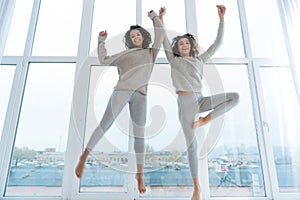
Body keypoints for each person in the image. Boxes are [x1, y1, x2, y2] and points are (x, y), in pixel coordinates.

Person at [75, 9, 165, 194]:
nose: (136, 37)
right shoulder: (124, 55)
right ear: (130, 40)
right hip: (122, 91)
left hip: (141, 95)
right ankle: (84, 156)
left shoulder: (150, 53)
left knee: (140, 135)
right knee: (106, 123)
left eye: (138, 34)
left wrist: (155, 17)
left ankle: (139, 174)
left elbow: (161, 34)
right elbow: (103, 59)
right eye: (132, 36)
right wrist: (101, 41)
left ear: (143, 37)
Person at [159, 5, 239, 200]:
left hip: (201, 99)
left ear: (192, 46)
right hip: (185, 102)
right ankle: (197, 188)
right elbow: (163, 40)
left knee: (235, 97)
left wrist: (221, 20)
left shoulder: (200, 59)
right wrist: (161, 19)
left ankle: (206, 120)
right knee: (192, 146)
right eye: (181, 44)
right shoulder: (173, 60)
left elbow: (217, 43)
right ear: (177, 48)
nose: (184, 45)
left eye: (187, 43)